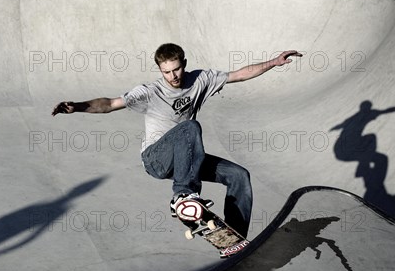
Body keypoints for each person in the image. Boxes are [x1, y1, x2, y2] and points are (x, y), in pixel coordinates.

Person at [52, 43, 302, 237]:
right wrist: (78, 107)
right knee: (189, 127)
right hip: (156, 159)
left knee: (239, 175)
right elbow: (108, 104)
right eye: (166, 72)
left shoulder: (201, 79)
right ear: (160, 70)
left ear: (184, 63)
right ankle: (182, 196)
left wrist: (274, 62)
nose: (173, 76)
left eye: (177, 69)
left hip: (186, 160)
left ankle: (234, 239)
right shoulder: (149, 92)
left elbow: (238, 75)